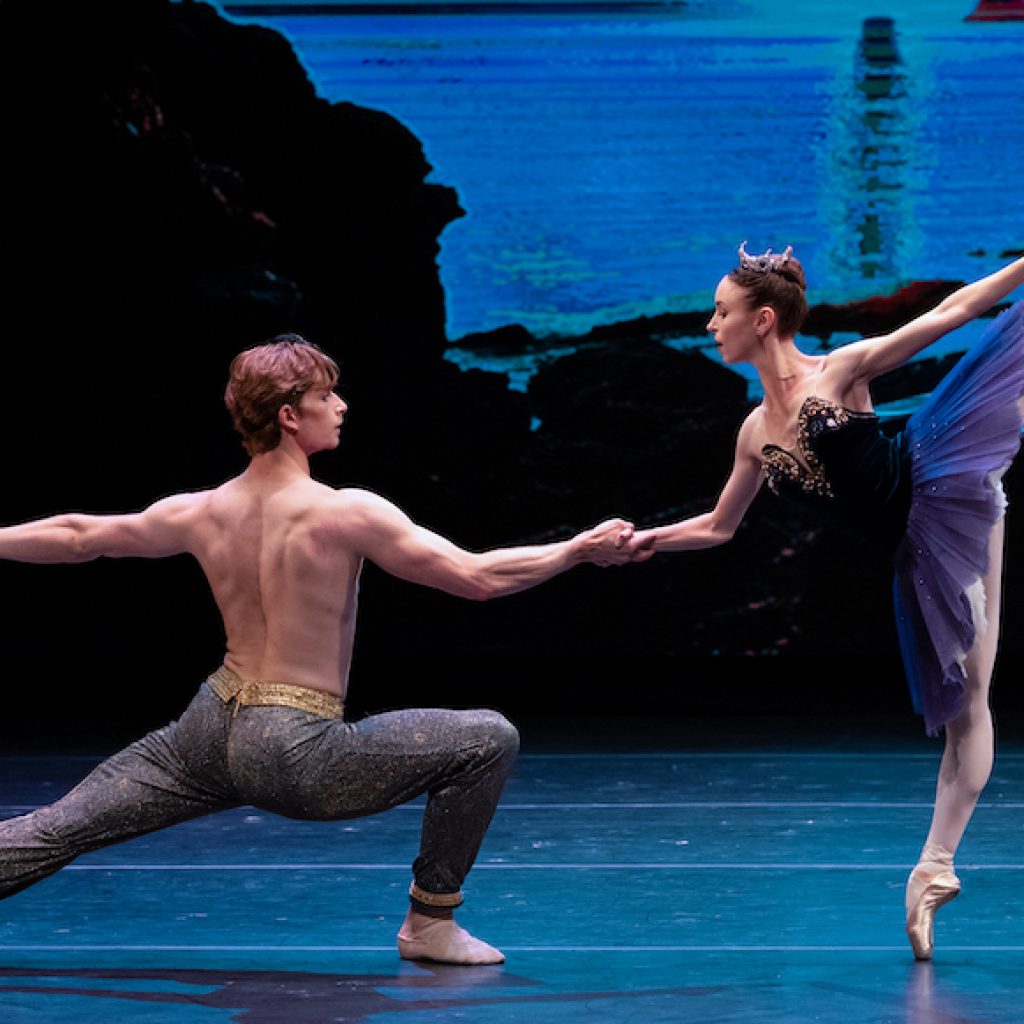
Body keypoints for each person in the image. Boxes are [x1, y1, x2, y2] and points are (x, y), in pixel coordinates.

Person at [0, 335, 650, 966]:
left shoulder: (199, 510)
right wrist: (577, 550)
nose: (340, 407)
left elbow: (80, 535)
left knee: (59, 827)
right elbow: (476, 578)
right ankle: (431, 922)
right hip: (290, 747)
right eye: (326, 396)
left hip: (205, 729)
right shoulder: (343, 512)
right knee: (489, 739)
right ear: (289, 416)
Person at [633, 245, 1024, 960]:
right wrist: (644, 540)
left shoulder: (838, 372)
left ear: (764, 318)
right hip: (913, 553)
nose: (709, 325)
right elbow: (719, 527)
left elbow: (955, 311)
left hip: (943, 498)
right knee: (961, 707)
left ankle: (936, 861)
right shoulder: (753, 431)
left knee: (972, 704)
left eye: (721, 313)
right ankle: (932, 871)